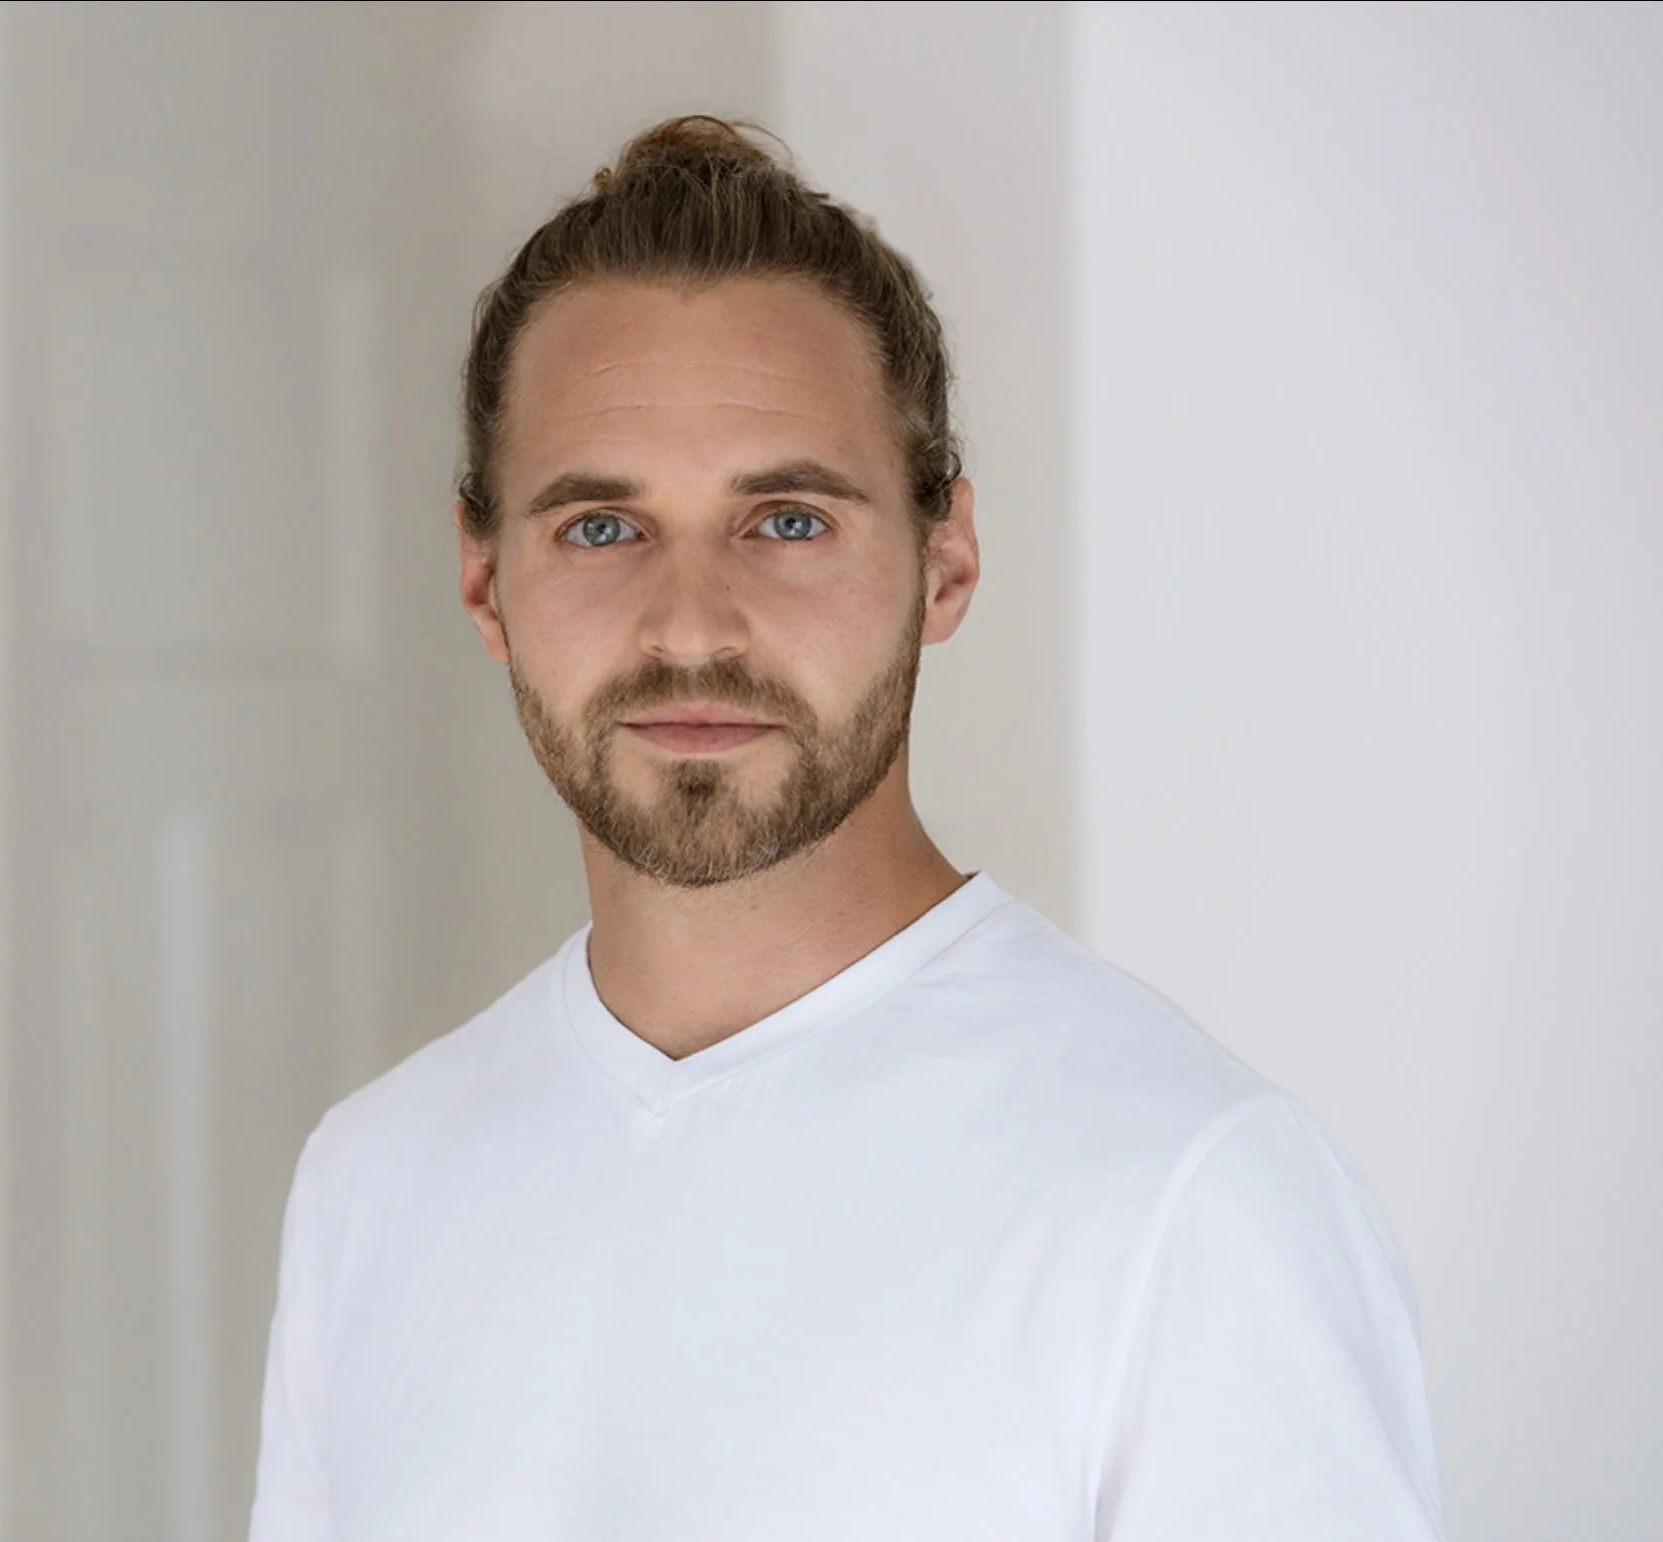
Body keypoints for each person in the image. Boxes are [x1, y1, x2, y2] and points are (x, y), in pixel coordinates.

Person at [247, 116, 1445, 1542]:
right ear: (482, 576)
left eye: (789, 522)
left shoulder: (1192, 1199)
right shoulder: (374, 1179)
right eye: (602, 529)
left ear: (946, 561)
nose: (691, 624)